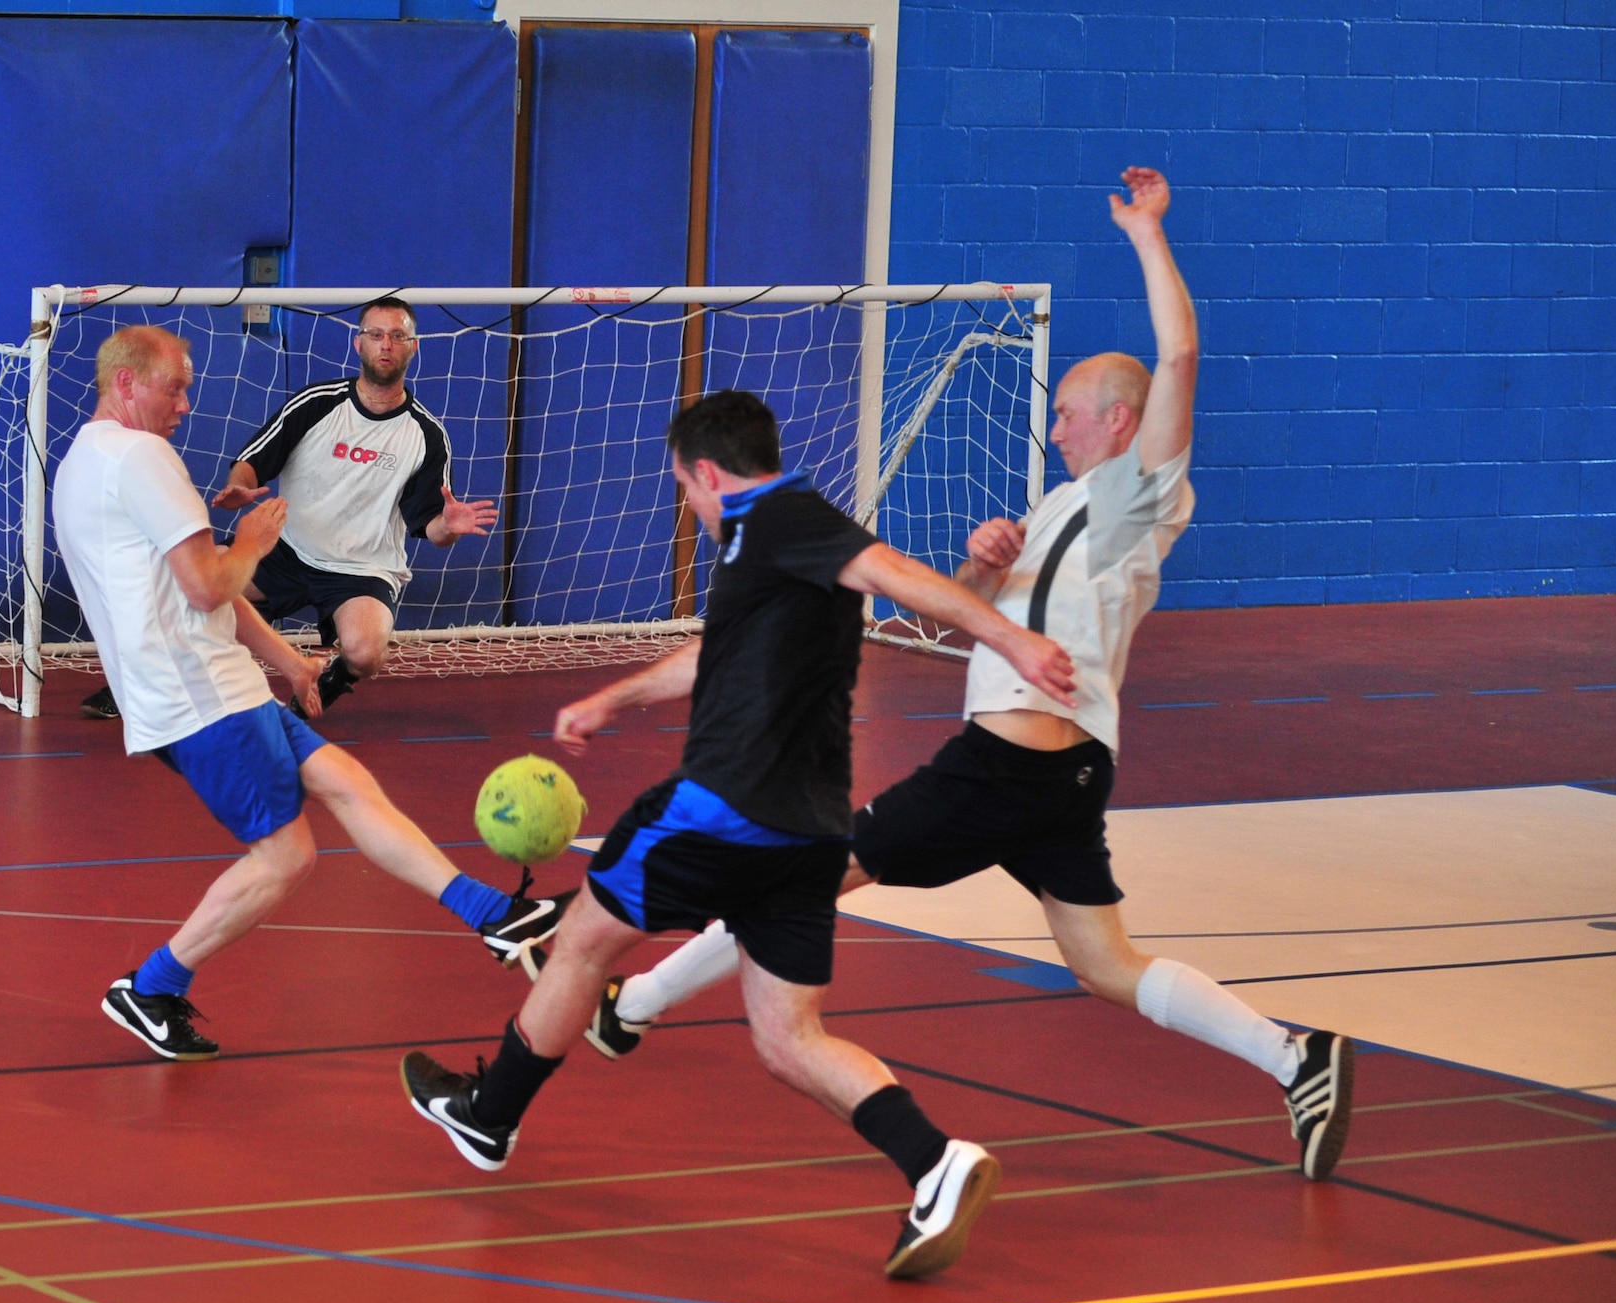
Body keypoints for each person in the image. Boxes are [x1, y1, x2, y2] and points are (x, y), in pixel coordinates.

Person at [554, 168, 1357, 1187]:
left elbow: (1180, 357)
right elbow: (968, 617)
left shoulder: (1137, 498)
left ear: (1119, 422)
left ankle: (633, 1005)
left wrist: (1148, 234)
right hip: (1055, 773)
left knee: (804, 872)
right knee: (1104, 963)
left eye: (1068, 413)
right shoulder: (1063, 506)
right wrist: (982, 564)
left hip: (1009, 760)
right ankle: (1295, 1058)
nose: (1054, 429)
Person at [398, 388, 1079, 1281]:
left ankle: (488, 1117)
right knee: (789, 1038)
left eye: (685, 487)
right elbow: (713, 654)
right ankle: (935, 1162)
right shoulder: (765, 551)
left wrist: (1013, 642)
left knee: (579, 942)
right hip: (808, 832)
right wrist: (611, 698)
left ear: (710, 474)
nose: (688, 503)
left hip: (721, 809)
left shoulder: (785, 518)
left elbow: (891, 571)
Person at [53, 326, 565, 1059]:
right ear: (127, 384)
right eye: (176, 388)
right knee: (285, 856)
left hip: (209, 684)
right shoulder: (142, 457)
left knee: (348, 781)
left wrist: (292, 663)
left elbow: (202, 590)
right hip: (200, 695)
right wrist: (253, 542)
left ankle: (491, 914)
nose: (186, 404)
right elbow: (209, 586)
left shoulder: (86, 458)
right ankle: (152, 986)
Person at [80, 297, 494, 722]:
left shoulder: (426, 435)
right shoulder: (316, 403)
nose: (385, 344)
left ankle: (328, 681)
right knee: (184, 585)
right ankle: (137, 683)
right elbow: (252, 461)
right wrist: (240, 487)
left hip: (362, 570)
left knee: (366, 652)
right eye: (375, 334)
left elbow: (432, 529)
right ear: (359, 343)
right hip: (287, 550)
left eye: (397, 336)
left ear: (413, 346)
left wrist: (449, 525)